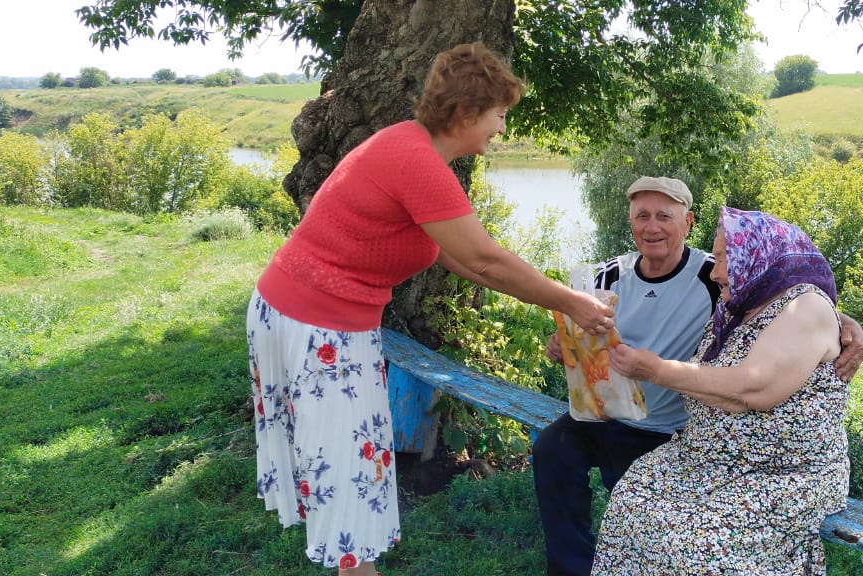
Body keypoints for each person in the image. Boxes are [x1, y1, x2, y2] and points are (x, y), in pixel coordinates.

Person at [244, 43, 614, 576]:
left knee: (348, 472)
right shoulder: (416, 161)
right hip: (319, 325)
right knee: (351, 479)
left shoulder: (411, 148)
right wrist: (571, 301)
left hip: (305, 313)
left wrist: (552, 299)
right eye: (500, 114)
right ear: (468, 110)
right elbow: (485, 260)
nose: (502, 128)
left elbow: (463, 259)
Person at [533, 180, 863, 576]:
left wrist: (847, 323)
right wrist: (564, 345)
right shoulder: (609, 276)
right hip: (608, 414)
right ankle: (571, 569)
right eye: (642, 216)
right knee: (552, 450)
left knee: (656, 518)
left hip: (668, 429)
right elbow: (578, 331)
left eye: (664, 216)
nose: (652, 227)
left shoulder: (716, 278)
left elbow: (791, 297)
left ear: (688, 222)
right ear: (630, 221)